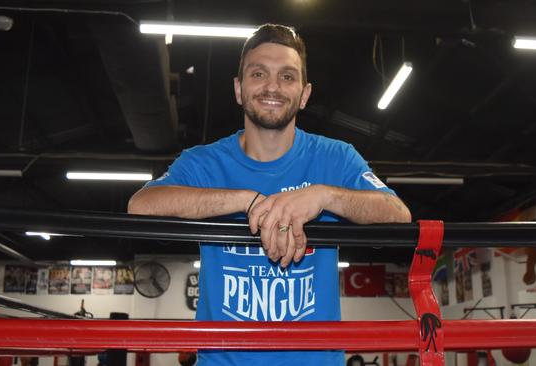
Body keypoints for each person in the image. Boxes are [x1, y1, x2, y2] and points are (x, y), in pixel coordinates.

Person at [128, 23, 411, 366]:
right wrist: (244, 200)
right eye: (259, 73)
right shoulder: (204, 162)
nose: (273, 86)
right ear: (238, 88)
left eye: (287, 76)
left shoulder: (335, 158)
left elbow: (398, 213)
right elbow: (140, 206)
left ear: (305, 94)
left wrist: (323, 196)